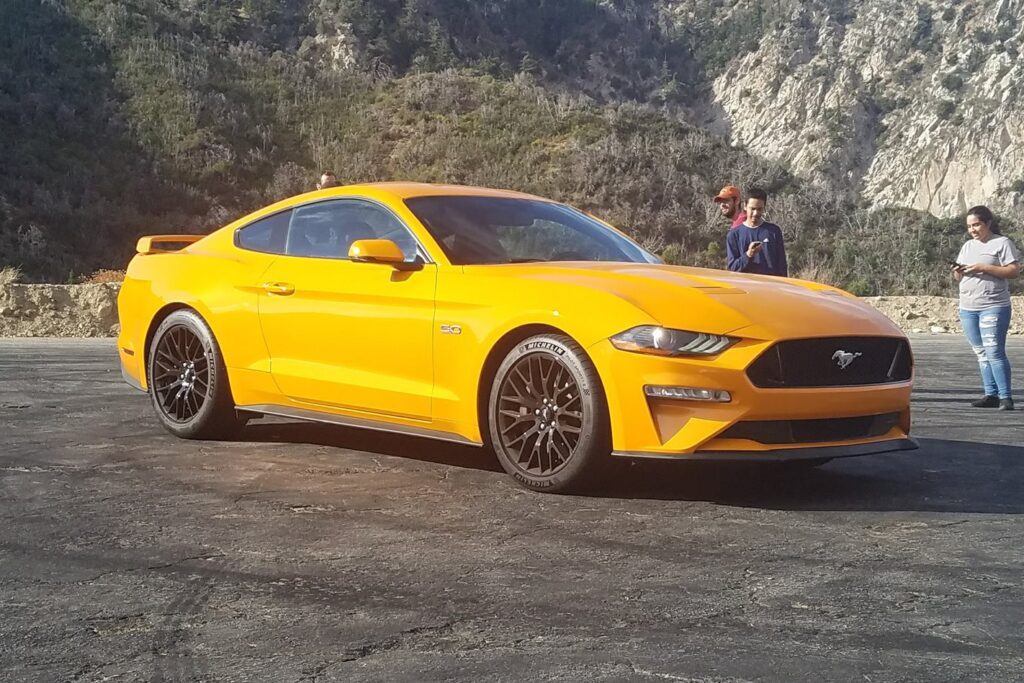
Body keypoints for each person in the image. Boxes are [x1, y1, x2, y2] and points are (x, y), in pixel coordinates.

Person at [952, 205, 1021, 410]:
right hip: (968, 307)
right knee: (980, 352)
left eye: (976, 225)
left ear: (988, 223)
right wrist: (957, 271)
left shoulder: (1002, 243)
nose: (973, 230)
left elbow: (1013, 271)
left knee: (994, 352)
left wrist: (984, 267)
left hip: (993, 306)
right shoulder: (967, 246)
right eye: (969, 226)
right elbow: (958, 277)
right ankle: (990, 394)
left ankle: (1006, 397)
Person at [725, 187, 787, 276]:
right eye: (752, 209)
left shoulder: (774, 231)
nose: (755, 213)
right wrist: (748, 254)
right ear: (745, 206)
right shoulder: (734, 235)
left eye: (759, 209)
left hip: (771, 287)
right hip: (745, 287)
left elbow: (782, 266)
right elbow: (733, 268)